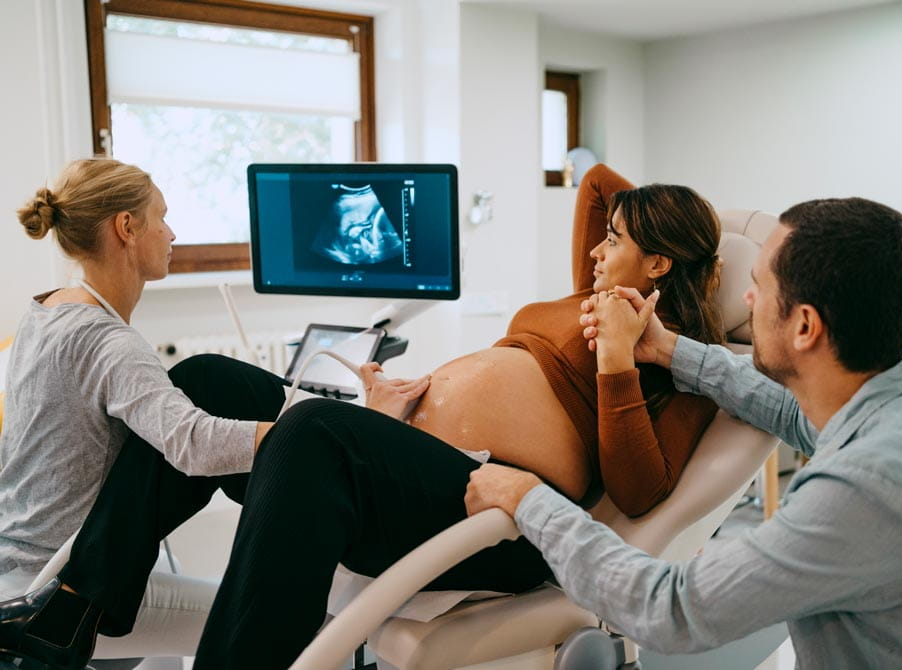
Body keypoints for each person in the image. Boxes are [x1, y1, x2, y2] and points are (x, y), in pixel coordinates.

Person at [2, 161, 723, 670]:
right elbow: (598, 186)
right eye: (606, 234)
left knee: (313, 430)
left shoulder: (672, 359)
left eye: (618, 240)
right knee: (202, 379)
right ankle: (74, 607)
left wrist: (624, 357)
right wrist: (649, 226)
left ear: (658, 266)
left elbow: (638, 492)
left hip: (496, 514)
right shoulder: (581, 296)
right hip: (417, 470)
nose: (597, 246)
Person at [466, 197, 902, 668]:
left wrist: (529, 500)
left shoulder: (864, 491)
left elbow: (671, 611)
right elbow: (796, 414)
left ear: (805, 326)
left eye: (758, 287)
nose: (746, 299)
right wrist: (667, 348)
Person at [0, 158, 425, 670]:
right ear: (127, 228)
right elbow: (194, 445)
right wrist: (328, 438)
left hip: (14, 561)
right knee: (317, 631)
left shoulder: (44, 312)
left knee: (208, 380)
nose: (172, 232)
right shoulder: (107, 342)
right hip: (55, 584)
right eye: (162, 217)